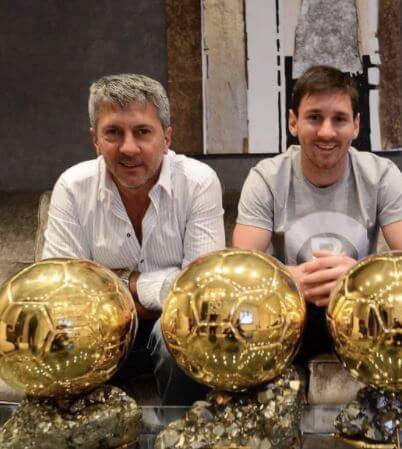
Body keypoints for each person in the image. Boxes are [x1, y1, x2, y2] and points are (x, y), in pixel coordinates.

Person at [42, 73, 225, 403]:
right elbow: (62, 298)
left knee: (186, 333)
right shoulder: (72, 187)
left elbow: (199, 298)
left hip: (171, 330)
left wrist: (115, 285)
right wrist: (160, 286)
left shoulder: (199, 182)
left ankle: (183, 438)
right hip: (97, 334)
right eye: (113, 132)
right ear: (95, 139)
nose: (128, 148)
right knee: (58, 345)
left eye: (142, 132)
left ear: (166, 138)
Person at [233, 65, 402, 361]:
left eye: (339, 119)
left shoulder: (382, 175)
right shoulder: (266, 178)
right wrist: (290, 279)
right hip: (287, 314)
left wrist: (357, 280)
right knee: (240, 317)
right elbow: (241, 272)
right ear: (293, 122)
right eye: (314, 117)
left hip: (364, 316)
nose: (327, 131)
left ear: (356, 125)